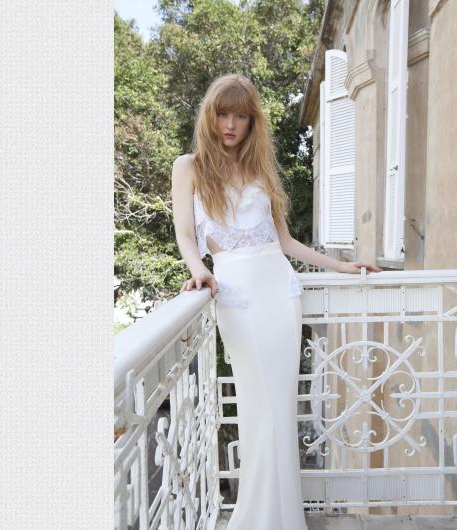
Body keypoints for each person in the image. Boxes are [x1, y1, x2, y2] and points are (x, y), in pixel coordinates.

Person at [171, 73, 380, 530]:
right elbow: (185, 233)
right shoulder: (188, 167)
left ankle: (282, 519)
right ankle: (256, 518)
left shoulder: (260, 170)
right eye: (223, 114)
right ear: (210, 116)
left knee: (279, 411)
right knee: (259, 408)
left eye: (241, 116)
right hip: (236, 296)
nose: (231, 124)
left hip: (280, 293)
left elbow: (285, 242)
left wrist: (341, 266)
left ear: (253, 122)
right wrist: (198, 269)